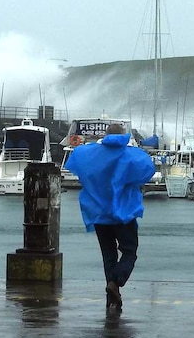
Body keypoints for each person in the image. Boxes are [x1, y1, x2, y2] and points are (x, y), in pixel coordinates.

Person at [66, 122, 156, 311]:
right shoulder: (131, 155)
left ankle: (111, 297)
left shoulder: (91, 154)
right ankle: (116, 283)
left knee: (109, 255)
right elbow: (147, 170)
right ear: (124, 135)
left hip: (100, 215)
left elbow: (77, 163)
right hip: (124, 214)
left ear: (105, 135)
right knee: (129, 252)